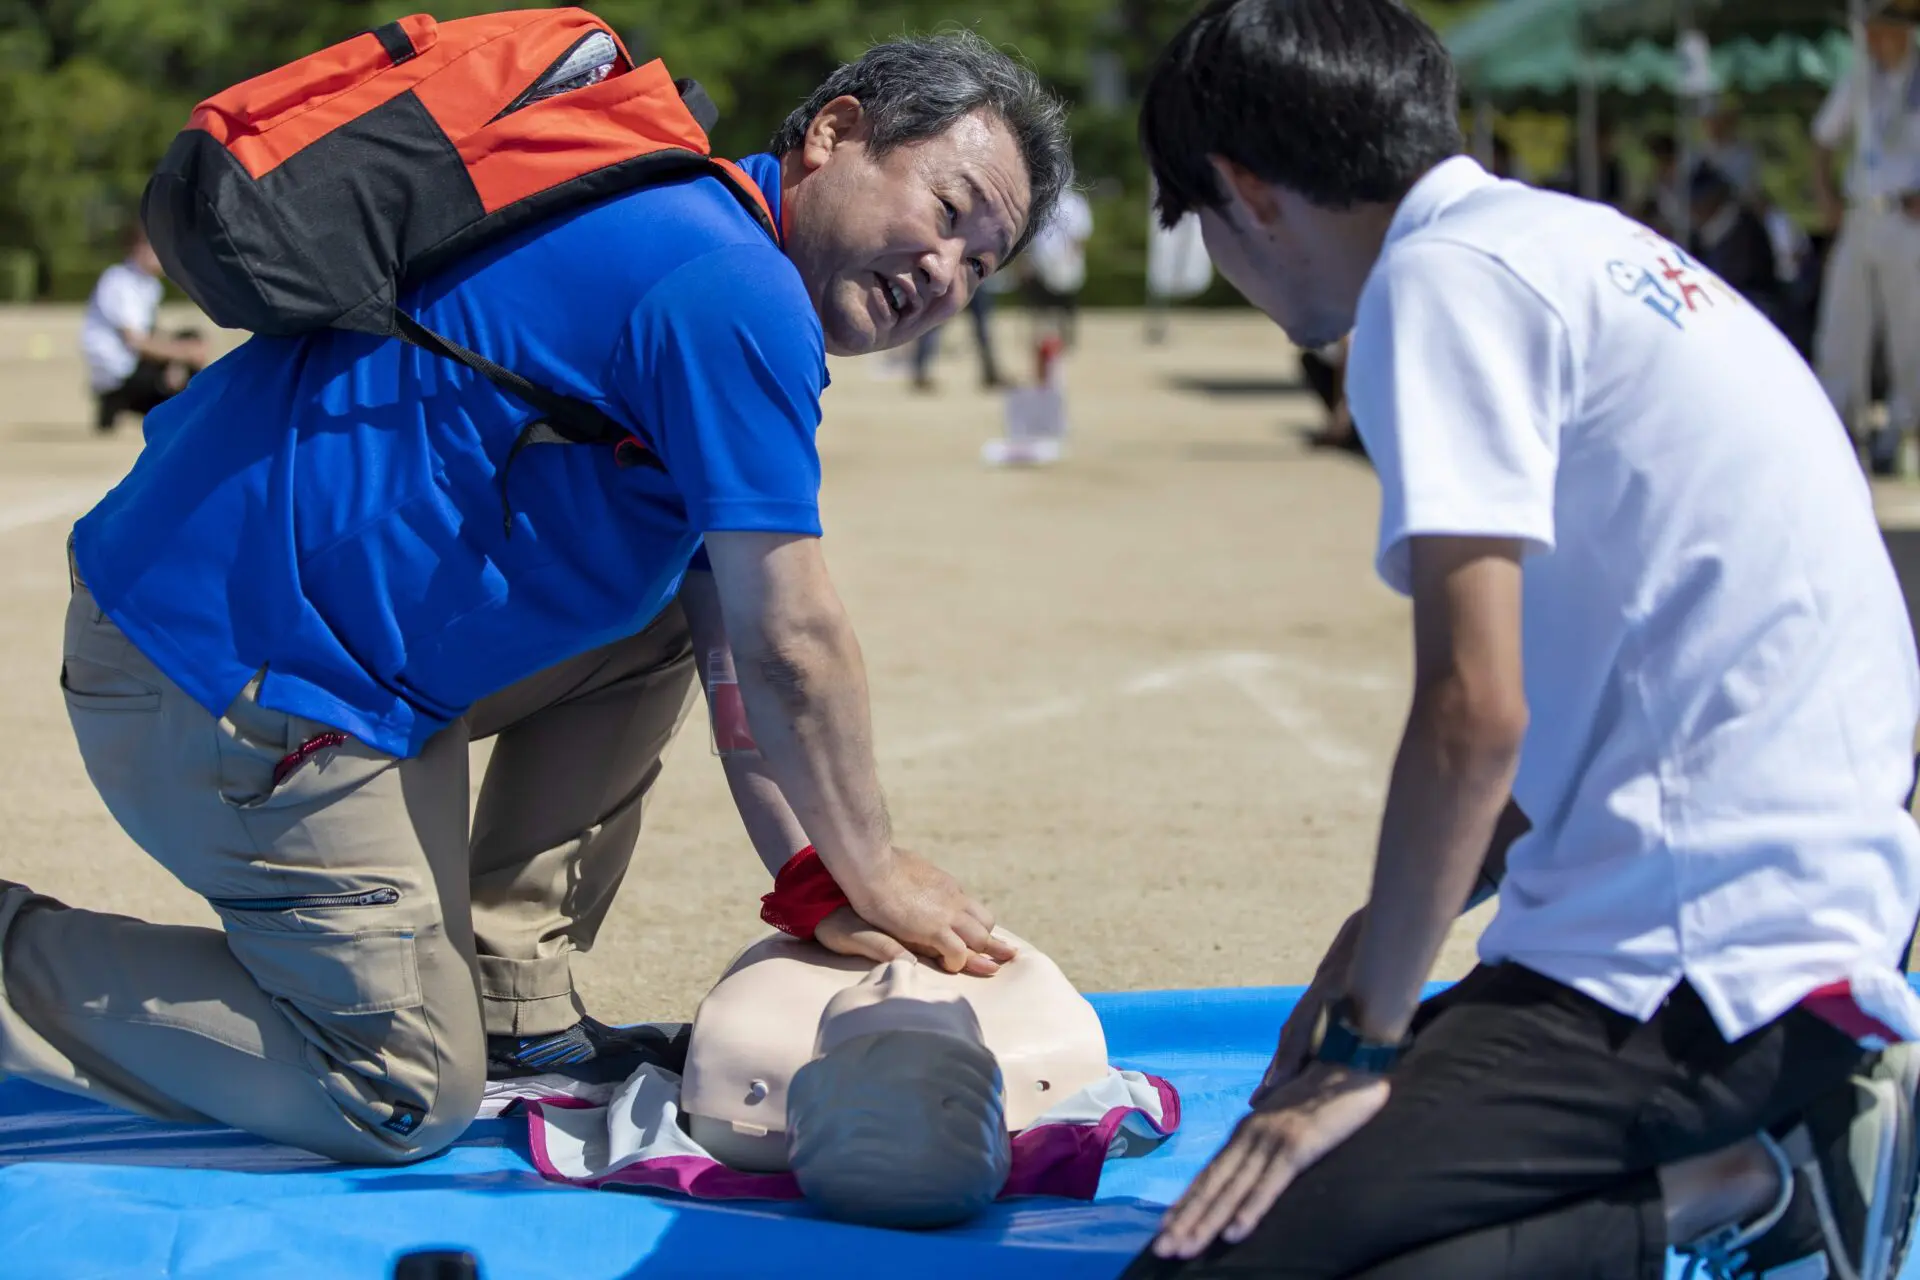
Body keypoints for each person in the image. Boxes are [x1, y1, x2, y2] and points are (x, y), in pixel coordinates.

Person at [0, 32, 1071, 1168]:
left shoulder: (691, 225)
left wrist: (818, 881)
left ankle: (518, 1000)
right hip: (222, 677)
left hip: (265, 636)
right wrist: (880, 867)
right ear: (833, 132)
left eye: (984, 264)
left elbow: (731, 656)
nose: (949, 273)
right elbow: (794, 643)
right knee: (398, 1087)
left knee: (664, 605)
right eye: (950, 211)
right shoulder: (730, 288)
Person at [1132, 2, 1920, 1278]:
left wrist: (1374, 1038)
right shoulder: (1576, 242)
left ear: (1242, 192)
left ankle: (1748, 1185)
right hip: (1825, 929)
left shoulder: (1434, 284)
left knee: (1216, 1259)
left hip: (1693, 980)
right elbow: (1612, 675)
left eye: (1199, 224)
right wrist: (1383, 930)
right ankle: (1757, 1150)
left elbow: (1475, 710)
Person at [1811, 0, 1920, 475]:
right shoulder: (1860, 79)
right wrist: (1827, 199)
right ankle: (1836, 427)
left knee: (1910, 329)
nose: (1873, 40)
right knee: (1842, 323)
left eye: (1881, 29)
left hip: (1906, 219)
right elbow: (1822, 138)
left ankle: (1901, 431)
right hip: (1861, 214)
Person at [79, 225, 207, 433]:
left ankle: (119, 404)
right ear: (140, 248)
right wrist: (184, 353)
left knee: (189, 338)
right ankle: (114, 399)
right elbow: (135, 340)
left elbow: (151, 332)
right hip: (121, 371)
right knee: (184, 373)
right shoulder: (118, 281)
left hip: (134, 364)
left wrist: (178, 354)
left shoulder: (149, 286)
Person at [1687, 165, 1785, 327]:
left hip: (1754, 307)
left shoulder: (1743, 227)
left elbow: (1743, 280)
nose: (1695, 210)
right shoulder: (1699, 236)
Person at [1023, 186, 1094, 348]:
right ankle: (1041, 341)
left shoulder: (1075, 202)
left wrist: (1070, 259)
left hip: (1066, 264)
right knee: (1040, 307)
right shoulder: (1039, 200)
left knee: (1066, 306)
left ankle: (1066, 339)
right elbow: (1030, 235)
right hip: (1040, 264)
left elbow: (1081, 234)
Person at [910, 287, 1005, 391]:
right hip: (964, 279)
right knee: (933, 325)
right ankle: (921, 374)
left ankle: (991, 373)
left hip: (969, 280)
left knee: (933, 325)